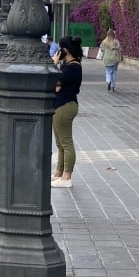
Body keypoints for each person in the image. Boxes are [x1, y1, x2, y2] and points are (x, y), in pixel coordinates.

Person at [51, 35, 83, 188]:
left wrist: (53, 64)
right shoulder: (67, 66)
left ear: (66, 50)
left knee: (66, 142)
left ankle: (67, 177)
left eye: (60, 49)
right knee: (60, 143)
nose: (58, 51)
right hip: (60, 105)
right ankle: (59, 173)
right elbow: (55, 85)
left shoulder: (73, 67)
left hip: (65, 106)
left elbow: (52, 81)